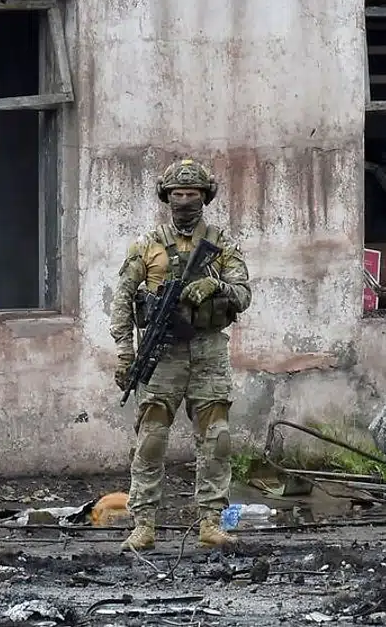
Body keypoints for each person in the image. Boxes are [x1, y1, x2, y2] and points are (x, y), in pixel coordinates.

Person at [109, 157, 252, 552]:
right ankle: (144, 525)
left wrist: (214, 285)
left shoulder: (222, 244)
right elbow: (122, 298)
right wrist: (125, 352)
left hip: (207, 350)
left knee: (216, 437)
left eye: (192, 193)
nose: (184, 200)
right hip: (163, 353)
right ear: (166, 197)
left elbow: (244, 294)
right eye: (177, 194)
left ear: (205, 196)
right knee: (151, 437)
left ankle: (210, 522)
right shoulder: (147, 244)